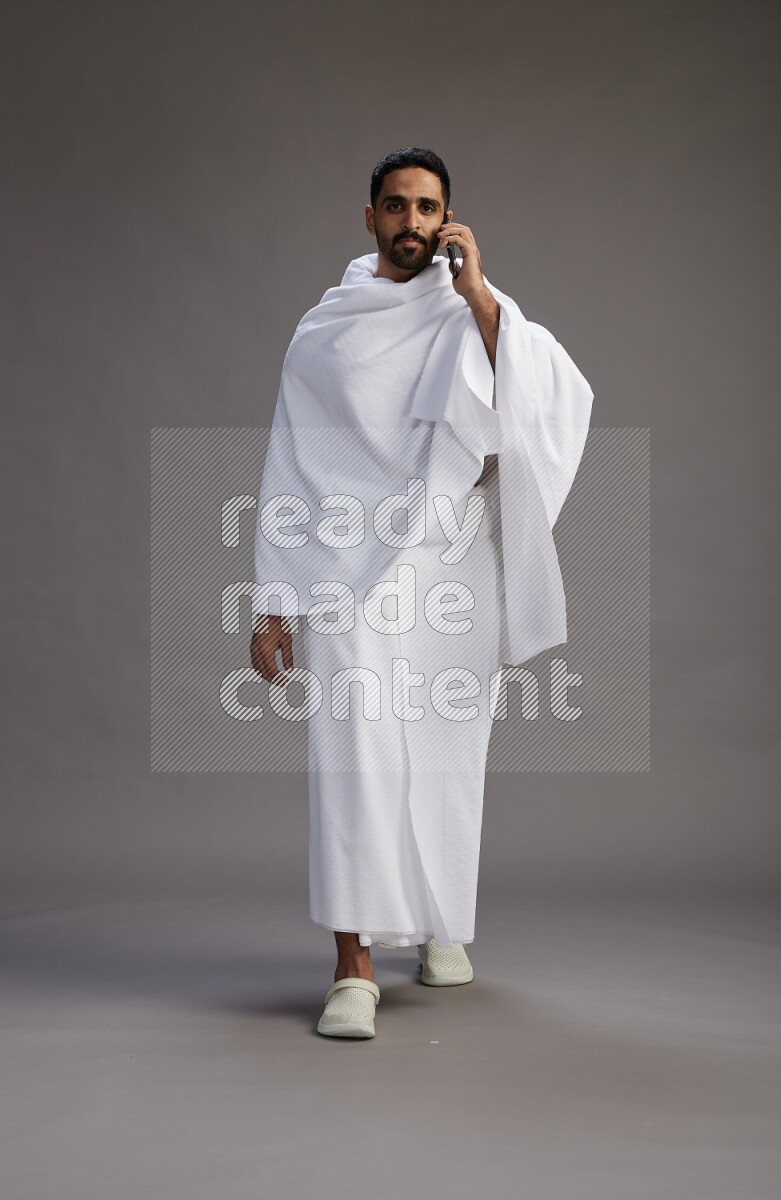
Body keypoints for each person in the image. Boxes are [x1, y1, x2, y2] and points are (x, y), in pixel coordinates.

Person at [250, 147, 593, 1038]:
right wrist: (270, 599)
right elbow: (291, 459)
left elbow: (550, 396)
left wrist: (479, 292)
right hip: (340, 570)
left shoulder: (474, 310)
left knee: (446, 752)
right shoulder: (323, 331)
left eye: (428, 207)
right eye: (396, 206)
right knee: (353, 754)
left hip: (450, 566)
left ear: (449, 218)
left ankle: (441, 922)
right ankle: (352, 966)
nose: (412, 223)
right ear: (368, 216)